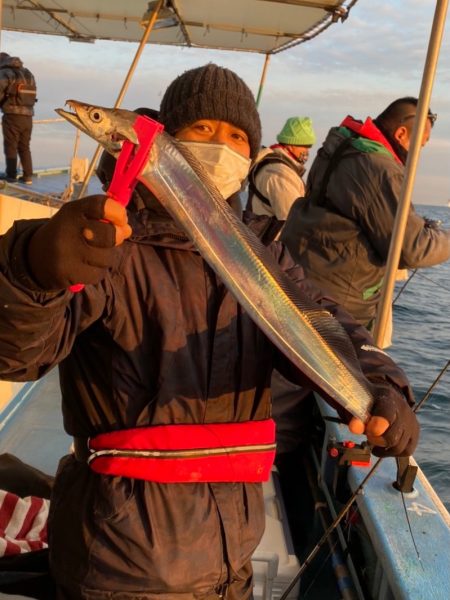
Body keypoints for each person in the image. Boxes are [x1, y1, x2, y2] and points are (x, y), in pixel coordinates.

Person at [0, 64, 420, 599]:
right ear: (166, 140)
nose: (221, 145)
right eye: (202, 129)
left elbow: (329, 322)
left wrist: (384, 388)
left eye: (237, 136)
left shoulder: (263, 251)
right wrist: (31, 269)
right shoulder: (112, 242)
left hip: (230, 566)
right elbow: (16, 356)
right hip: (116, 567)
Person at [281, 97, 450, 336]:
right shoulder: (380, 170)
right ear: (402, 134)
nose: (419, 155)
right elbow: (411, 248)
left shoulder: (339, 148)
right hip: (337, 309)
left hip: (299, 278)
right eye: (421, 145)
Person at [246, 116, 316, 220]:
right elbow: (293, 221)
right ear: (291, 145)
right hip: (271, 236)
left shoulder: (275, 167)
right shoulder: (280, 175)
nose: (307, 152)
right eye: (304, 146)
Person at [0, 52, 36, 184]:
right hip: (28, 116)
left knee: (11, 145)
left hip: (12, 115)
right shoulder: (27, 73)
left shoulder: (5, 73)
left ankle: (11, 175)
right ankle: (28, 176)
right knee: (24, 146)